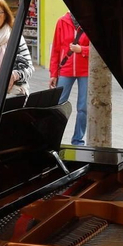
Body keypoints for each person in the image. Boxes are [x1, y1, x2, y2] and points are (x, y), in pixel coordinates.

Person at [48, 8, 91, 145]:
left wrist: (82, 50)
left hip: (86, 71)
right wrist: (53, 73)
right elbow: (56, 49)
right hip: (65, 70)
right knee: (58, 105)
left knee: (83, 107)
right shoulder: (62, 21)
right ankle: (53, 138)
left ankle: (78, 140)